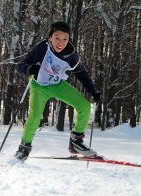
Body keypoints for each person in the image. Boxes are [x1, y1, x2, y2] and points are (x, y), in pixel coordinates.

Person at [15, 20, 101, 162]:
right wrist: (30, 69)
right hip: (39, 86)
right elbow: (20, 66)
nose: (61, 43)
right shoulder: (42, 48)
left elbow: (82, 74)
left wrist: (93, 91)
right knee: (35, 116)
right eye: (57, 38)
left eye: (65, 39)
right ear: (50, 37)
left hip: (58, 85)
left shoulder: (71, 55)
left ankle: (76, 142)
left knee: (84, 106)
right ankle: (24, 148)